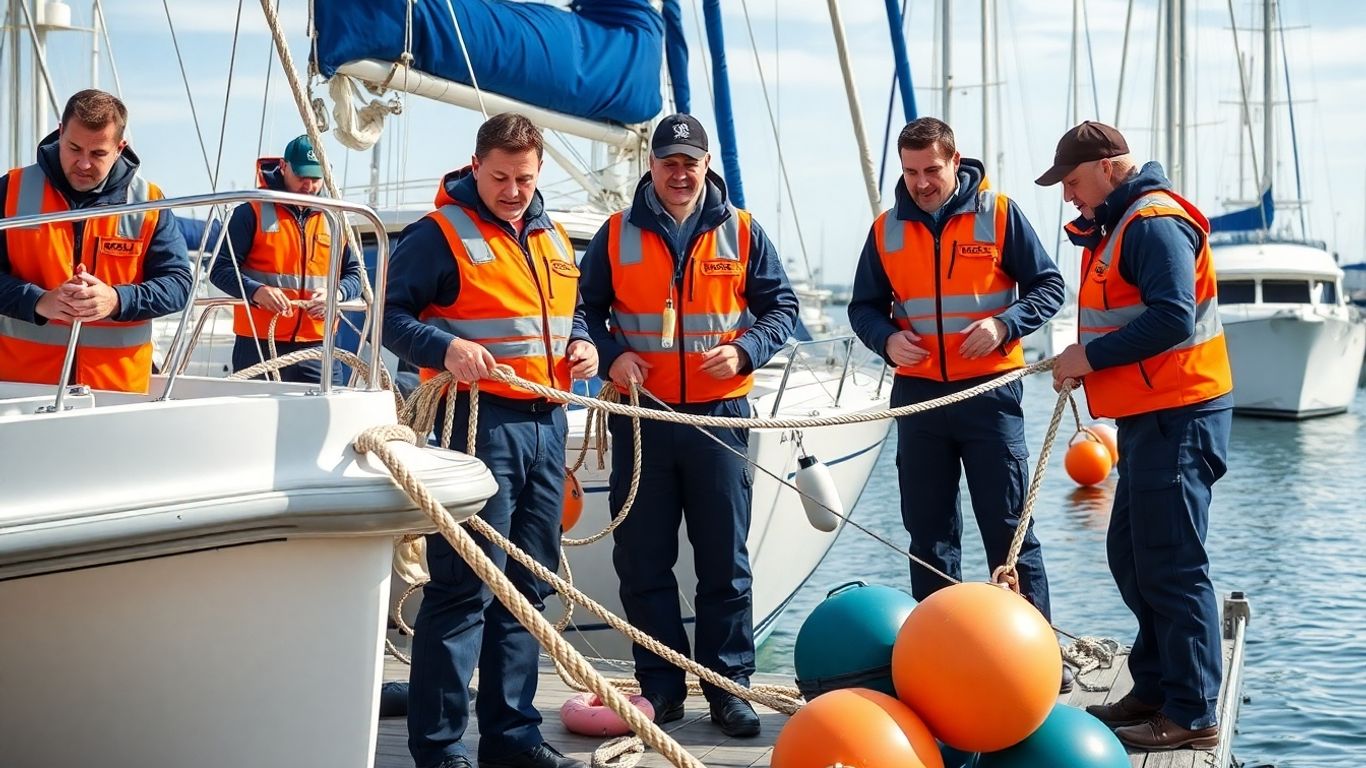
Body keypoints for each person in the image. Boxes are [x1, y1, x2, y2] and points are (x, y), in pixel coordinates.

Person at [383, 112, 597, 768]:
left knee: (527, 590)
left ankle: (514, 741)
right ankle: (442, 750)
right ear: (476, 167)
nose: (512, 190)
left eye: (524, 179)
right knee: (466, 588)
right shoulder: (438, 234)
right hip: (475, 425)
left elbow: (572, 308)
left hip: (544, 424)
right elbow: (387, 315)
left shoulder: (553, 234)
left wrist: (584, 341)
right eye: (500, 177)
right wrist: (445, 348)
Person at [577, 113, 799, 738]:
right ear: (652, 164)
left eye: (690, 163)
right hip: (640, 418)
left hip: (720, 420)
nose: (680, 173)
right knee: (643, 560)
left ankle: (729, 689)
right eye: (669, 161)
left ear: (706, 166)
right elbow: (584, 310)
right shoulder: (615, 233)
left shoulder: (744, 231)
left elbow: (782, 307)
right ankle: (661, 688)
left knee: (724, 561)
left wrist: (749, 349)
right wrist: (612, 352)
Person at [1040, 121, 1232, 750]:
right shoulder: (1121, 223)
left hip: (1181, 416)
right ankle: (1154, 685)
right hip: (1151, 421)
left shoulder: (1150, 221)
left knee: (1173, 566)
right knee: (1132, 554)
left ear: (1109, 167)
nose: (1069, 195)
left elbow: (1174, 316)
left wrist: (1087, 361)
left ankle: (1192, 713)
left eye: (1072, 181)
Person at [847, 116, 1065, 643]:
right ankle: (941, 650)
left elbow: (1050, 286)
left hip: (989, 394)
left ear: (955, 161)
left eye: (932, 169)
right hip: (919, 399)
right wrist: (885, 340)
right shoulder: (886, 229)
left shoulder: (1000, 215)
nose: (921, 182)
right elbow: (863, 307)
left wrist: (1004, 323)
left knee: (1010, 529)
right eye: (911, 171)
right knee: (930, 534)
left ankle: (1035, 649)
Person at [0, 89, 190, 393]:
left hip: (115, 394)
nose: (84, 164)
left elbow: (179, 284)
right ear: (60, 133)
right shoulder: (10, 190)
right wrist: (38, 301)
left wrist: (117, 300)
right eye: (74, 148)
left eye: (98, 153)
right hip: (20, 390)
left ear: (119, 148)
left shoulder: (148, 202)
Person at [210, 135, 362, 384]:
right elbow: (219, 269)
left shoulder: (336, 219)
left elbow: (356, 275)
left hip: (318, 345)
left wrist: (337, 294)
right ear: (283, 167)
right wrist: (256, 291)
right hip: (257, 344)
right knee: (255, 421)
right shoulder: (251, 212)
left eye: (315, 178)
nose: (309, 186)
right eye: (302, 176)